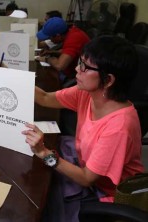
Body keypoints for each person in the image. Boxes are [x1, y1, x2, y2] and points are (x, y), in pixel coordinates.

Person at [22, 36, 144, 219]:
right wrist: (11, 77)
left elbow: (87, 179)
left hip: (107, 192)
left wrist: (44, 153)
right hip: (86, 166)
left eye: (85, 67)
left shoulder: (118, 126)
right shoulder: (87, 94)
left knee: (41, 199)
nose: (77, 69)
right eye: (80, 62)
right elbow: (45, 98)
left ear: (108, 80)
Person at [36, 17, 90, 82]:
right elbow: (68, 51)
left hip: (74, 77)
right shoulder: (72, 31)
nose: (50, 40)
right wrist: (51, 52)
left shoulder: (73, 39)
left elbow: (60, 66)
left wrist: (46, 59)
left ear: (58, 36)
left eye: (50, 37)